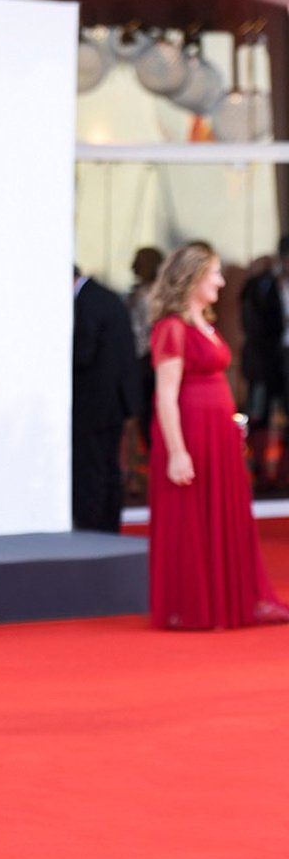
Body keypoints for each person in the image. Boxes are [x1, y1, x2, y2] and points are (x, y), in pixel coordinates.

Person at [148, 243, 289, 629]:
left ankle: (232, 599)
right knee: (193, 516)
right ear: (192, 277)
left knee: (222, 513)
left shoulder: (202, 323)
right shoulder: (172, 328)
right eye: (214, 273)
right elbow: (165, 396)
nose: (221, 281)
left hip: (217, 435)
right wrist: (177, 451)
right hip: (191, 435)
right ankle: (195, 604)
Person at [72, 268, 141, 531]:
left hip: (96, 402)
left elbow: (84, 353)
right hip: (115, 399)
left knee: (94, 468)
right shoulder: (105, 297)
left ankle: (94, 526)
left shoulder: (89, 301)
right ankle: (108, 525)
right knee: (110, 466)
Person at [239, 235, 289, 490]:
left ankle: (283, 472)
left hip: (282, 357)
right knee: (259, 415)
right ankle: (261, 472)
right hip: (264, 360)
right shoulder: (263, 284)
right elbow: (250, 319)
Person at [127, 246, 163, 448]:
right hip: (145, 356)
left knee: (148, 409)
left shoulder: (148, 295)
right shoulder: (144, 293)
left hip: (147, 357)